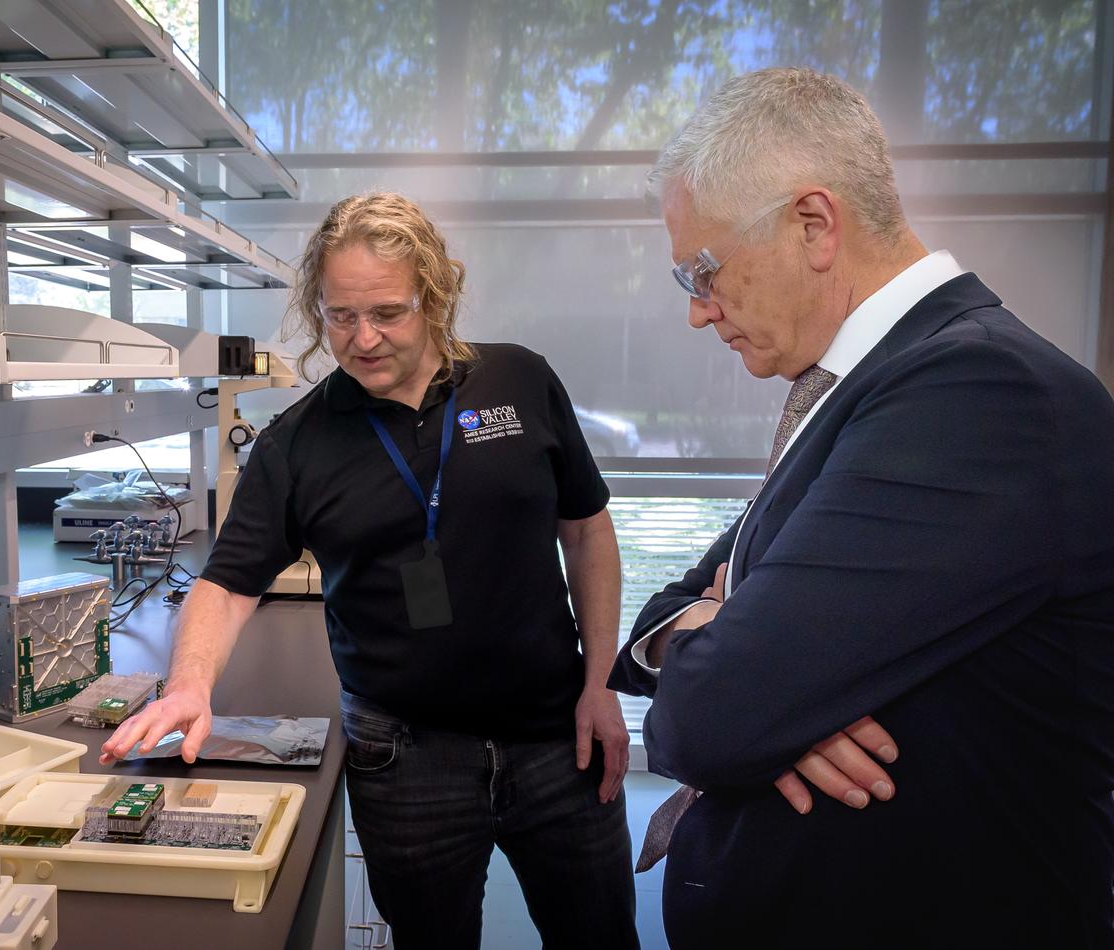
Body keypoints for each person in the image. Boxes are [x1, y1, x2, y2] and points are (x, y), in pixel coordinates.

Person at [609, 67, 1114, 948]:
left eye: (704, 269)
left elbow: (711, 719)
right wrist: (726, 652)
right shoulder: (868, 390)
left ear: (814, 224)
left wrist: (760, 699)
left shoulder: (976, 392)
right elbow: (668, 618)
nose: (697, 311)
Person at [102, 191, 640, 948]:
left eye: (387, 312)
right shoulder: (298, 442)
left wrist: (602, 684)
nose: (362, 339)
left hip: (557, 739)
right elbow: (227, 585)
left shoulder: (520, 382)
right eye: (339, 316)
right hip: (406, 758)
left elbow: (586, 532)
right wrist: (191, 683)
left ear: (437, 294)